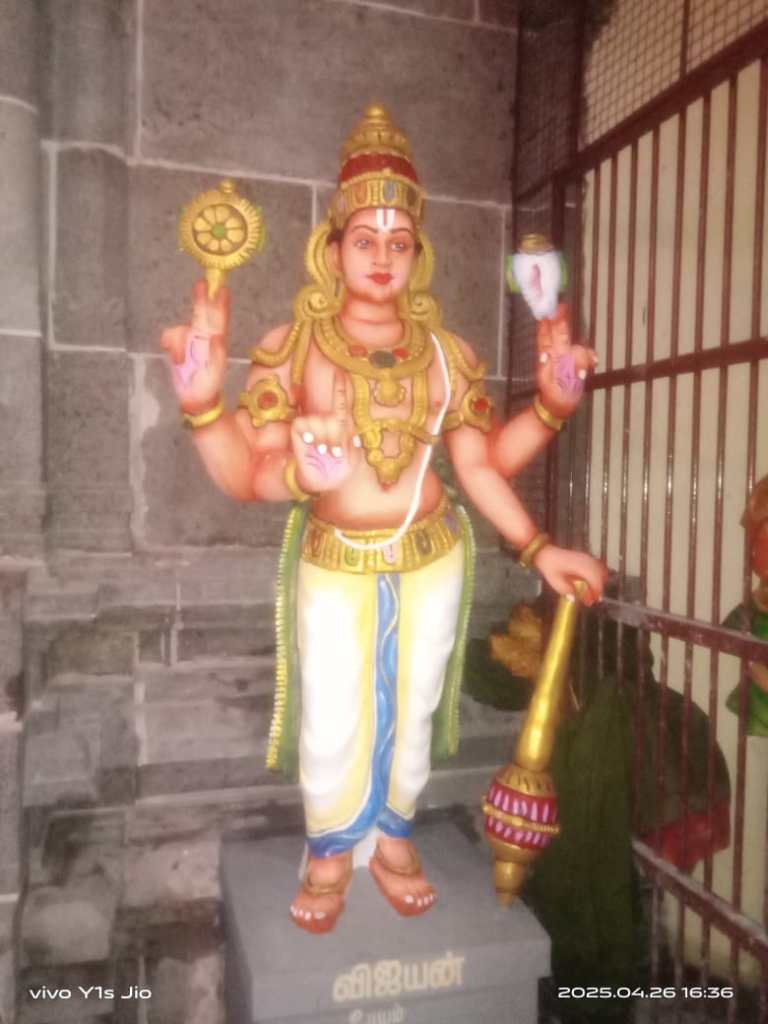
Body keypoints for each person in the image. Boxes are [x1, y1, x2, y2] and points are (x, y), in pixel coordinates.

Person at [160, 105, 607, 934]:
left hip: (433, 557)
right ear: (332, 248)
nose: (381, 257)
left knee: (415, 705)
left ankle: (395, 838)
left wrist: (549, 419)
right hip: (336, 560)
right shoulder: (293, 346)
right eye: (364, 239)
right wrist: (204, 407)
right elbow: (248, 476)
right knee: (332, 716)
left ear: (418, 254)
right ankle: (331, 851)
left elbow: (481, 464)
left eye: (399, 243)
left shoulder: (445, 353)